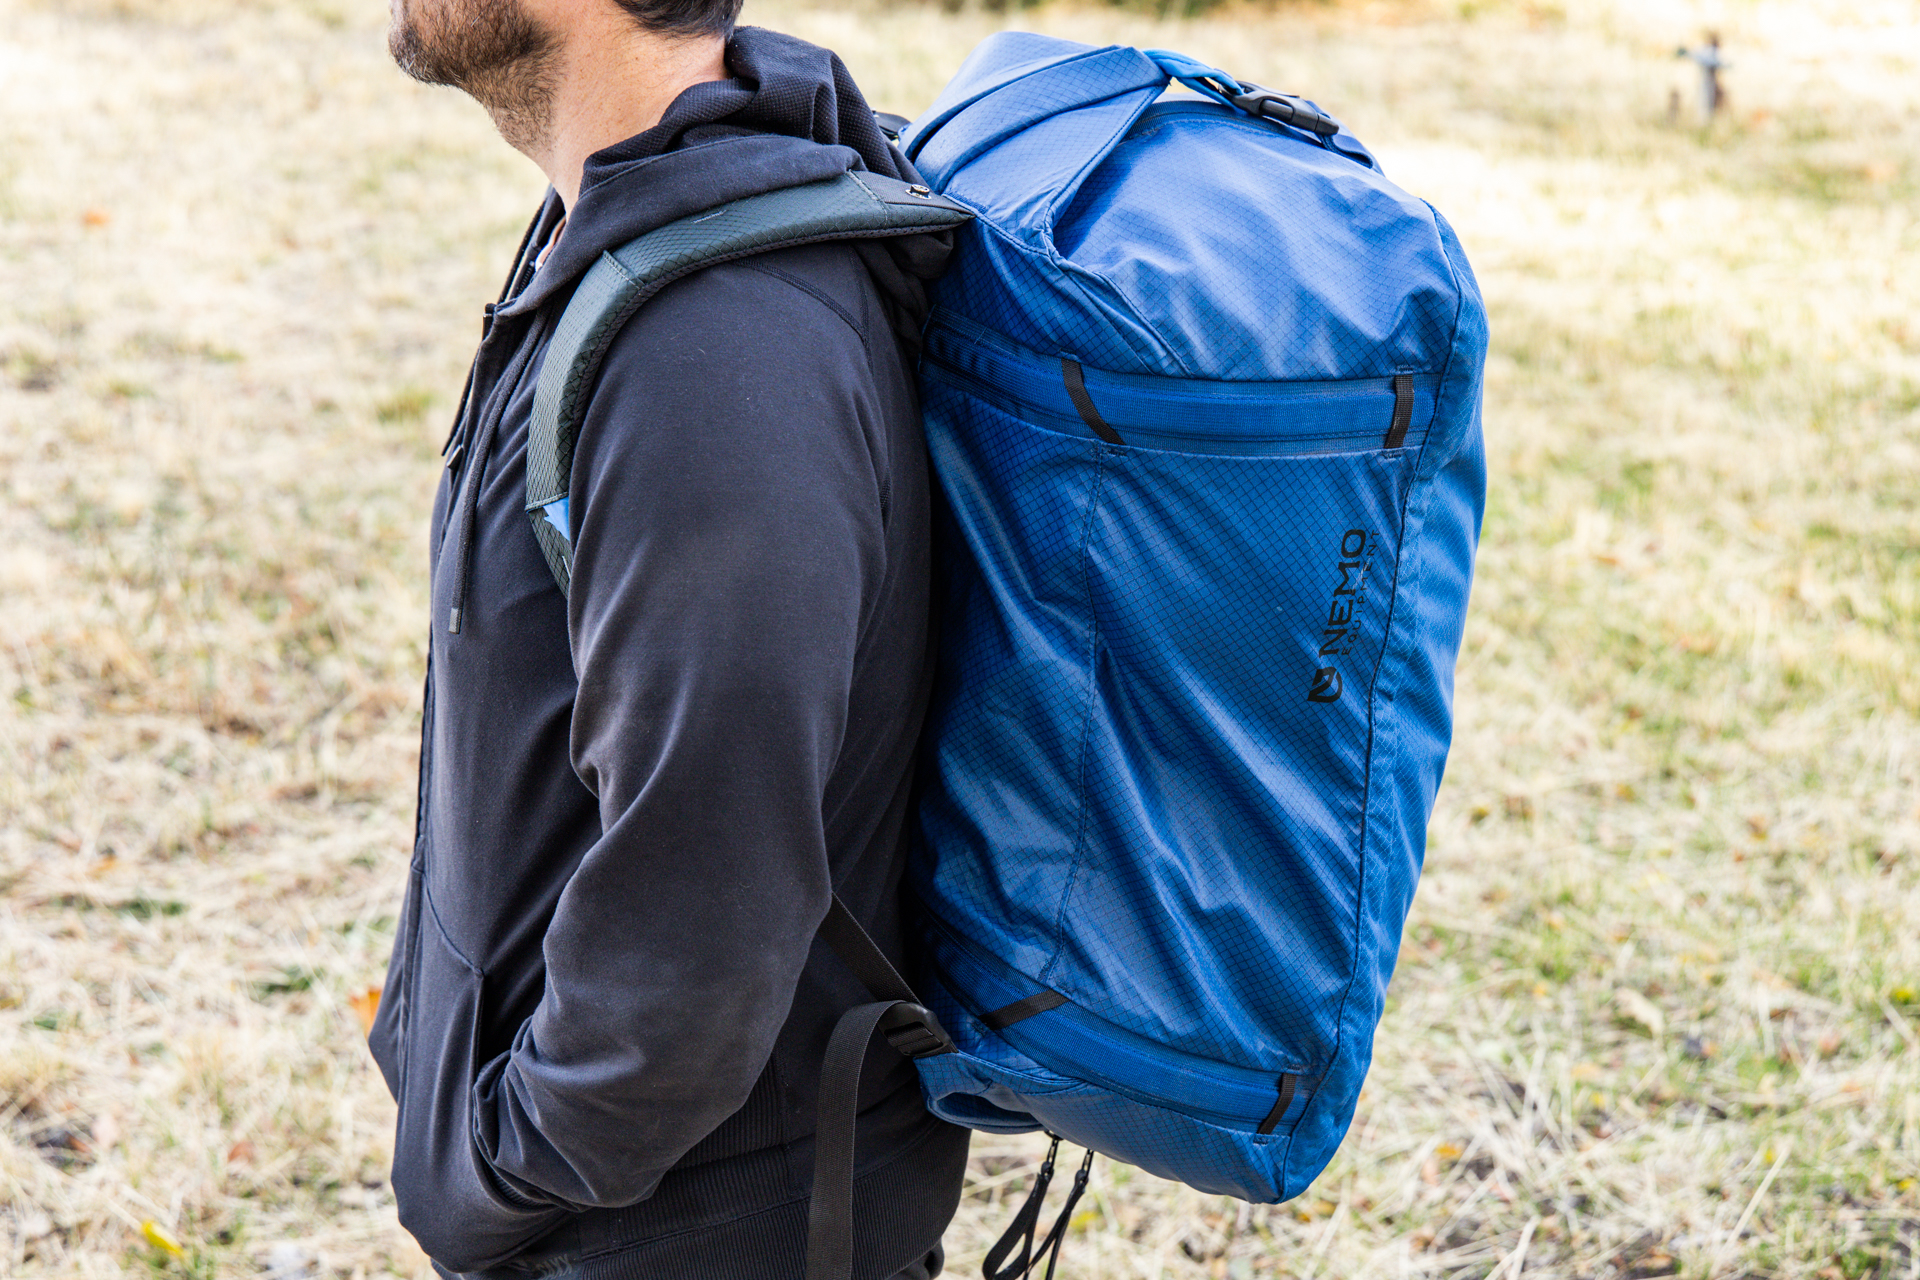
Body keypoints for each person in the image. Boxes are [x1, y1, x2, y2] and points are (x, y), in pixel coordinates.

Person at [361, 0, 972, 1273]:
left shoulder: (719, 350)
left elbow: (703, 922)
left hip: (690, 1227)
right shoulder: (631, 225)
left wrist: (509, 1166)